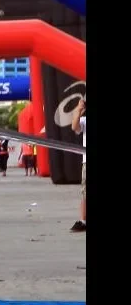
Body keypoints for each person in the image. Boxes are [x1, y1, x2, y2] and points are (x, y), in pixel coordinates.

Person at [70, 99, 86, 232]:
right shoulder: (84, 121)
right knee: (85, 192)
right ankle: (83, 221)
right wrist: (78, 110)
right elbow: (74, 126)